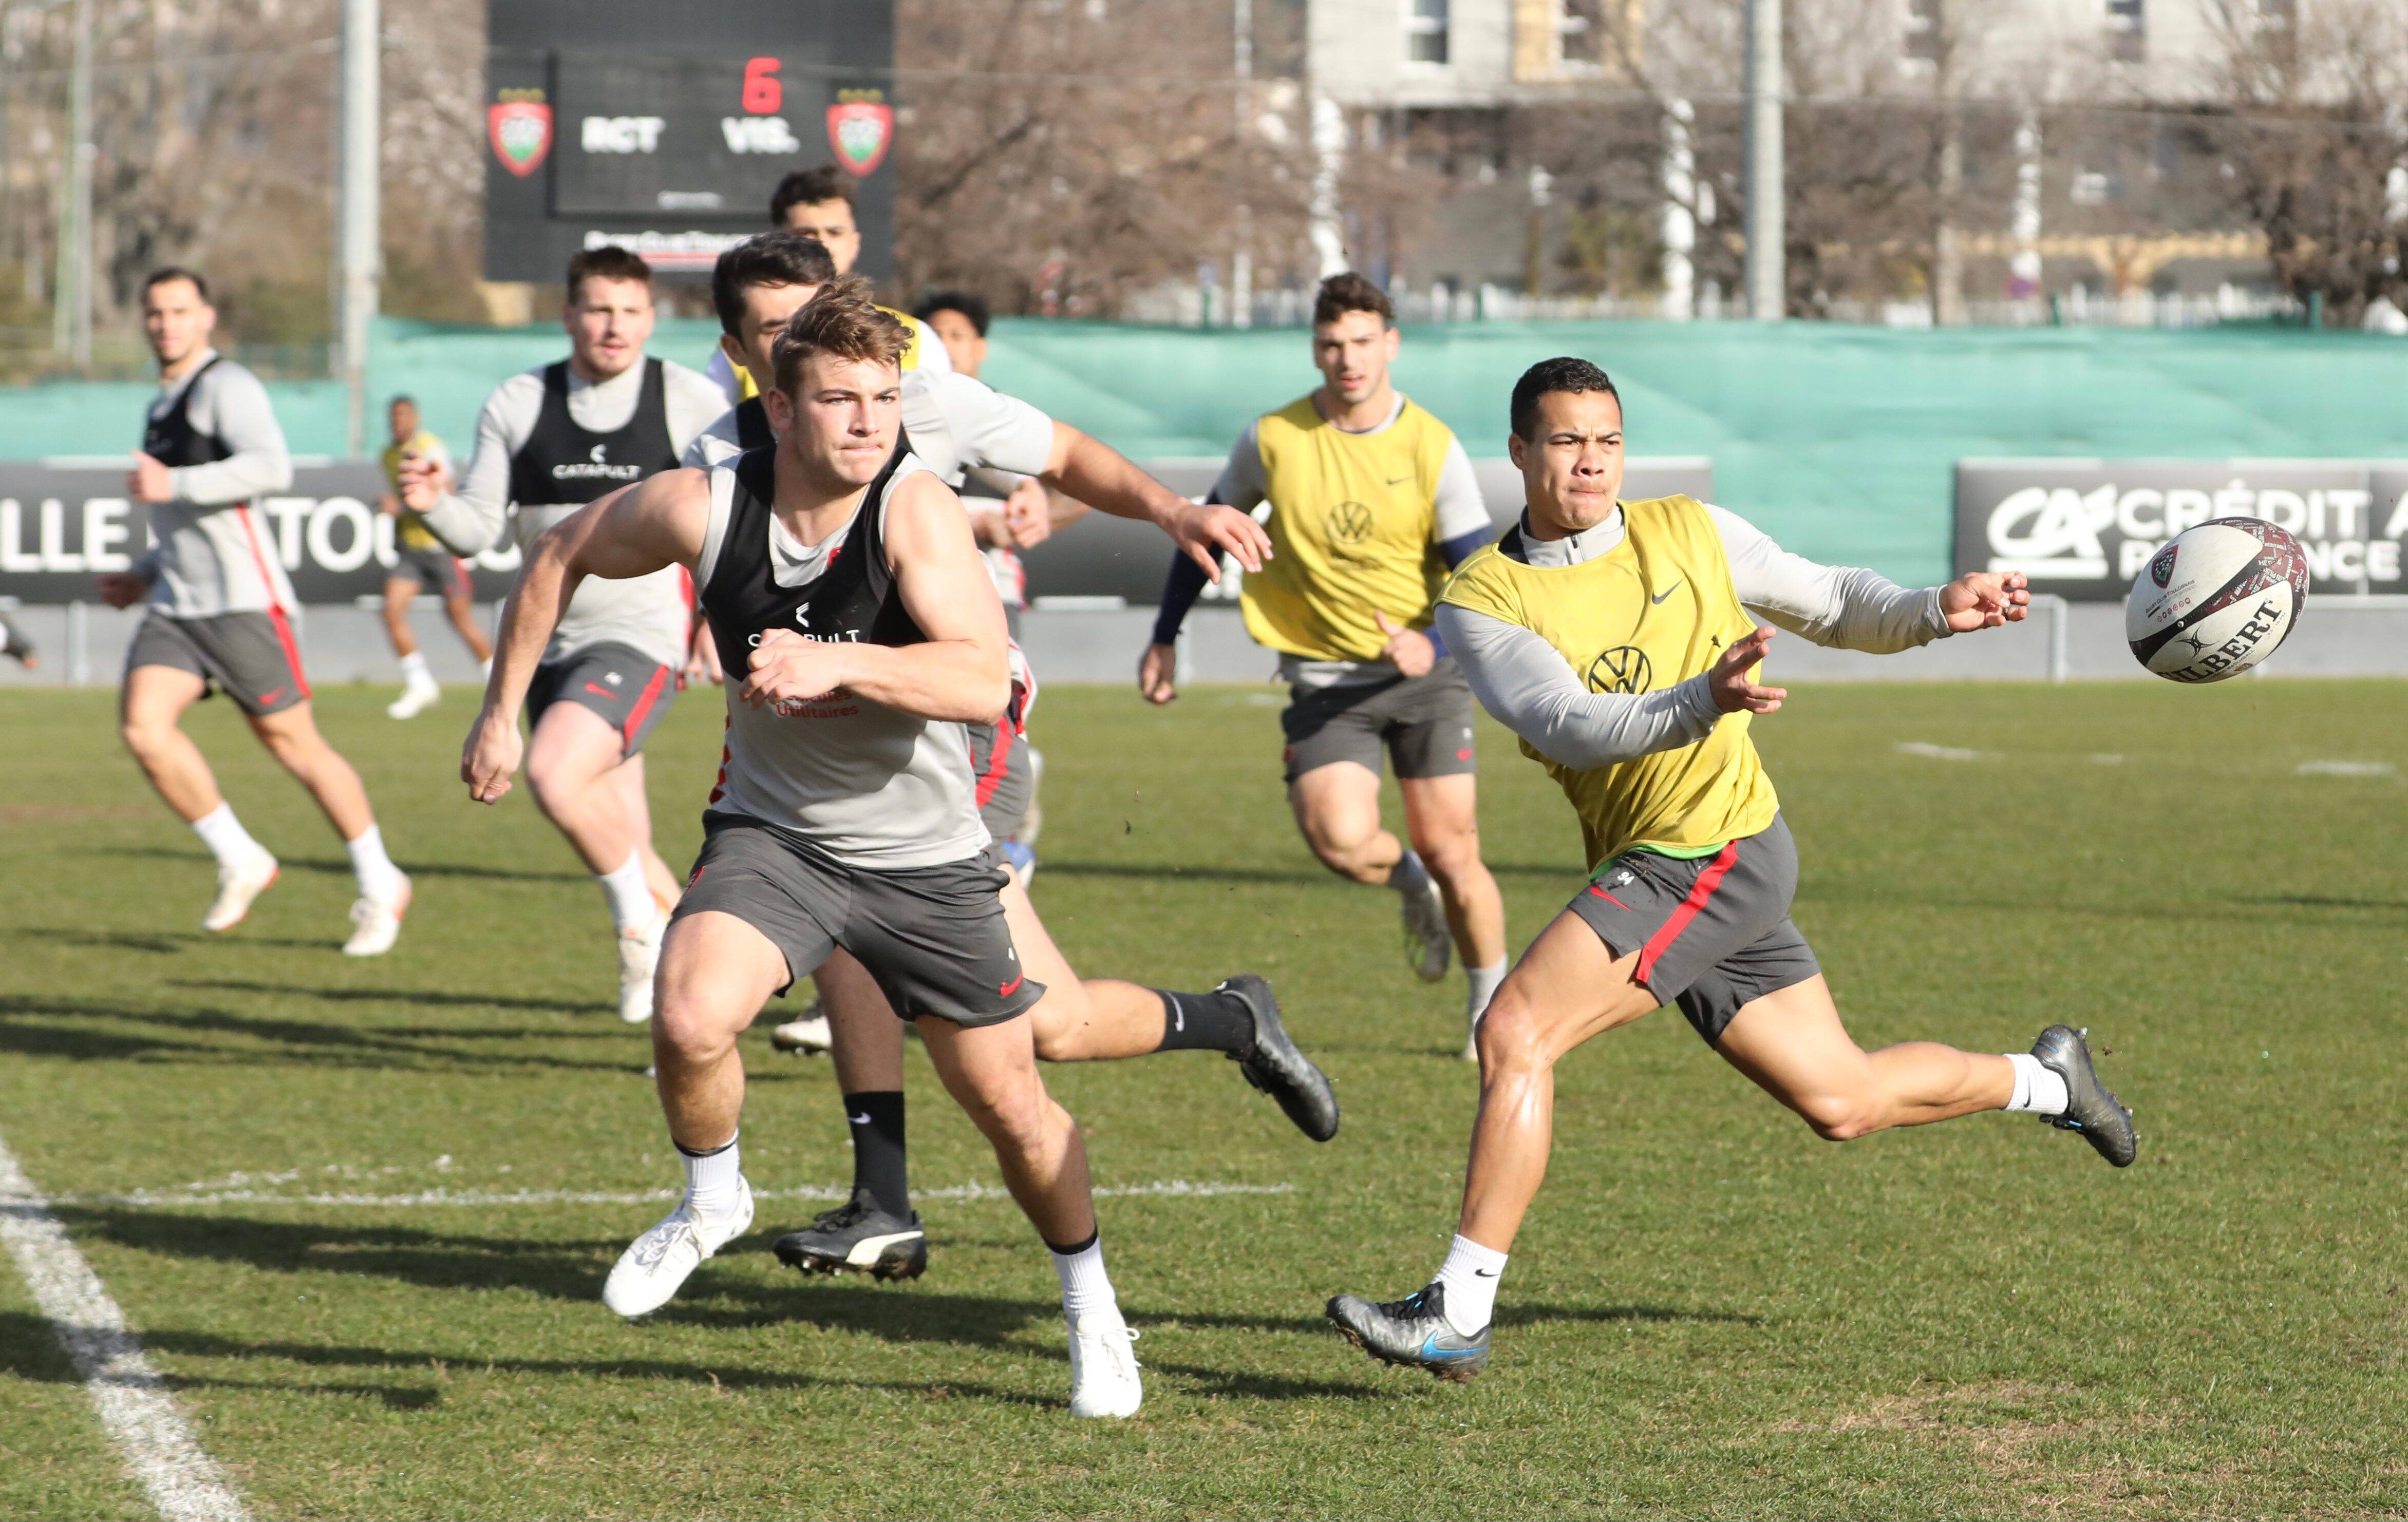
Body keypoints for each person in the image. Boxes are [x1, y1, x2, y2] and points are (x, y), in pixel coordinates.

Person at [1325, 356, 2135, 1382]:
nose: (1591, 462)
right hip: (1666, 862)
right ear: (1521, 452)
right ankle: (2047, 1080)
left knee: (1515, 1031)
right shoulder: (1484, 598)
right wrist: (1700, 698)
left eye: (1608, 441)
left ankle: (1458, 1310)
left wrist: (1936, 605)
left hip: (1712, 851)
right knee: (1842, 1101)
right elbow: (1570, 727)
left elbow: (1836, 602)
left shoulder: (1690, 530)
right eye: (1567, 441)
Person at [461, 285, 1147, 1416]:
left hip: (926, 856)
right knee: (688, 1013)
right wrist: (499, 712)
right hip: (779, 838)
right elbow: (558, 555)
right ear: (778, 408)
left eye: (883, 398)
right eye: (840, 399)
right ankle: (713, 1198)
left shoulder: (914, 510)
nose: (871, 422)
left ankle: (1091, 1304)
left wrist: (843, 664)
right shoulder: (705, 503)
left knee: (1011, 1105)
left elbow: (982, 675)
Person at [690, 247, 1322, 1285]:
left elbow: (1062, 451)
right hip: (808, 737)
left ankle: (887, 1203)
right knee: (1046, 1020)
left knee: (921, 951)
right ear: (743, 356)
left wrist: (1173, 514)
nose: (806, 357)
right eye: (769, 334)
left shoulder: (923, 402)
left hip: (952, 726)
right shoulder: (729, 447)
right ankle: (1223, 1020)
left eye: (811, 320)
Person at [1142, 272, 1508, 1054]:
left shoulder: (1430, 445)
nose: (1348, 359)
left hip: (1425, 674)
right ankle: (1414, 886)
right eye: (1332, 344)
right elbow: (1206, 528)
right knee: (1341, 840)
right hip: (1322, 676)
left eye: (1363, 342)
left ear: (1392, 345)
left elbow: (1481, 578)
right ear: (1315, 349)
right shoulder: (1273, 438)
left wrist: (1434, 643)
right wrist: (1166, 633)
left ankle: (1490, 1005)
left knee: (1456, 851)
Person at [397, 248, 727, 1023]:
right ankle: (701, 984)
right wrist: (432, 503)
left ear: (652, 317)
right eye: (598, 309)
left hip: (638, 640)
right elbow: (478, 529)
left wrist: (714, 620)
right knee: (629, 839)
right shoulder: (520, 401)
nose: (614, 326)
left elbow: (729, 519)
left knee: (551, 772)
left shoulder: (685, 398)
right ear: (568, 314)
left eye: (631, 310)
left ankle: (638, 924)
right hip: (541, 647)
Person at [97, 268, 410, 955]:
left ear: (207, 316)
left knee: (295, 746)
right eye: (155, 312)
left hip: (244, 603)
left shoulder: (226, 385)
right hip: (179, 604)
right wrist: (144, 573)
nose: (166, 324)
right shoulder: (163, 402)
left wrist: (171, 480)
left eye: (180, 310)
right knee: (145, 728)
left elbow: (272, 468)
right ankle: (242, 856)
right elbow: (183, 514)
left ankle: (380, 879)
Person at [914, 287, 1086, 876]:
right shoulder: (900, 415)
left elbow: (1071, 487)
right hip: (914, 597)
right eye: (933, 334)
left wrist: (1028, 516)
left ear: (980, 347)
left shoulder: (984, 418)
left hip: (989, 598)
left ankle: (996, 847)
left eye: (957, 336)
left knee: (979, 729)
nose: (946, 347)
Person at [702, 164, 948, 404]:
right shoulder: (744, 343)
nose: (822, 245)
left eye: (835, 233)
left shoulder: (917, 339)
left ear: (855, 243)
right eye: (806, 234)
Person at [377, 395, 492, 719]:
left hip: (440, 546)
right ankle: (420, 684)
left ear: (415, 418)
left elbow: (446, 490)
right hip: (411, 550)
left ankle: (498, 681)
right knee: (391, 611)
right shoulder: (387, 455)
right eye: (393, 417)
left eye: (404, 416)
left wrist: (400, 507)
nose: (398, 423)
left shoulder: (430, 447)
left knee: (459, 618)